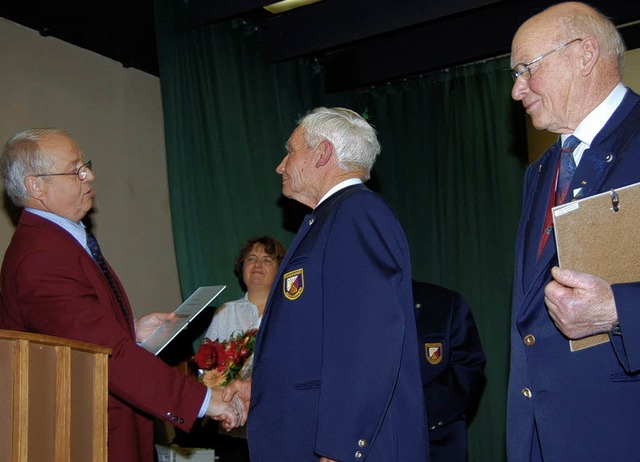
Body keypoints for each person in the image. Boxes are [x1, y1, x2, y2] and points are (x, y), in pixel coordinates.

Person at [0, 128, 246, 462]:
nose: (90, 175)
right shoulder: (41, 256)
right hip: (87, 439)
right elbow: (103, 355)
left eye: (85, 165)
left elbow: (70, 338)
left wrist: (131, 330)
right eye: (76, 171)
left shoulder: (56, 242)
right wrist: (205, 400)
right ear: (36, 186)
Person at [232, 107, 429, 461]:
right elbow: (314, 340)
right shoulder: (327, 219)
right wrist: (260, 388)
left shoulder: (356, 214)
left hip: (332, 446)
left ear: (322, 153)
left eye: (290, 151)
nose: (280, 165)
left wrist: (342, 445)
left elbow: (369, 336)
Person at [508, 3, 640, 460]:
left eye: (526, 68)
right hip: (547, 436)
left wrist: (618, 310)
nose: (516, 89)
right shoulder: (542, 170)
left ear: (584, 54)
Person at [412, 280, 486, 462]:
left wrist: (412, 411)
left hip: (436, 449)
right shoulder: (351, 309)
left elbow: (469, 368)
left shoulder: (444, 303)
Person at [203, 235, 285, 343]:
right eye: (251, 258)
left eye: (267, 260)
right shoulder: (225, 312)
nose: (257, 264)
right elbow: (208, 357)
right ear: (242, 267)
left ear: (280, 271)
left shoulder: (290, 310)